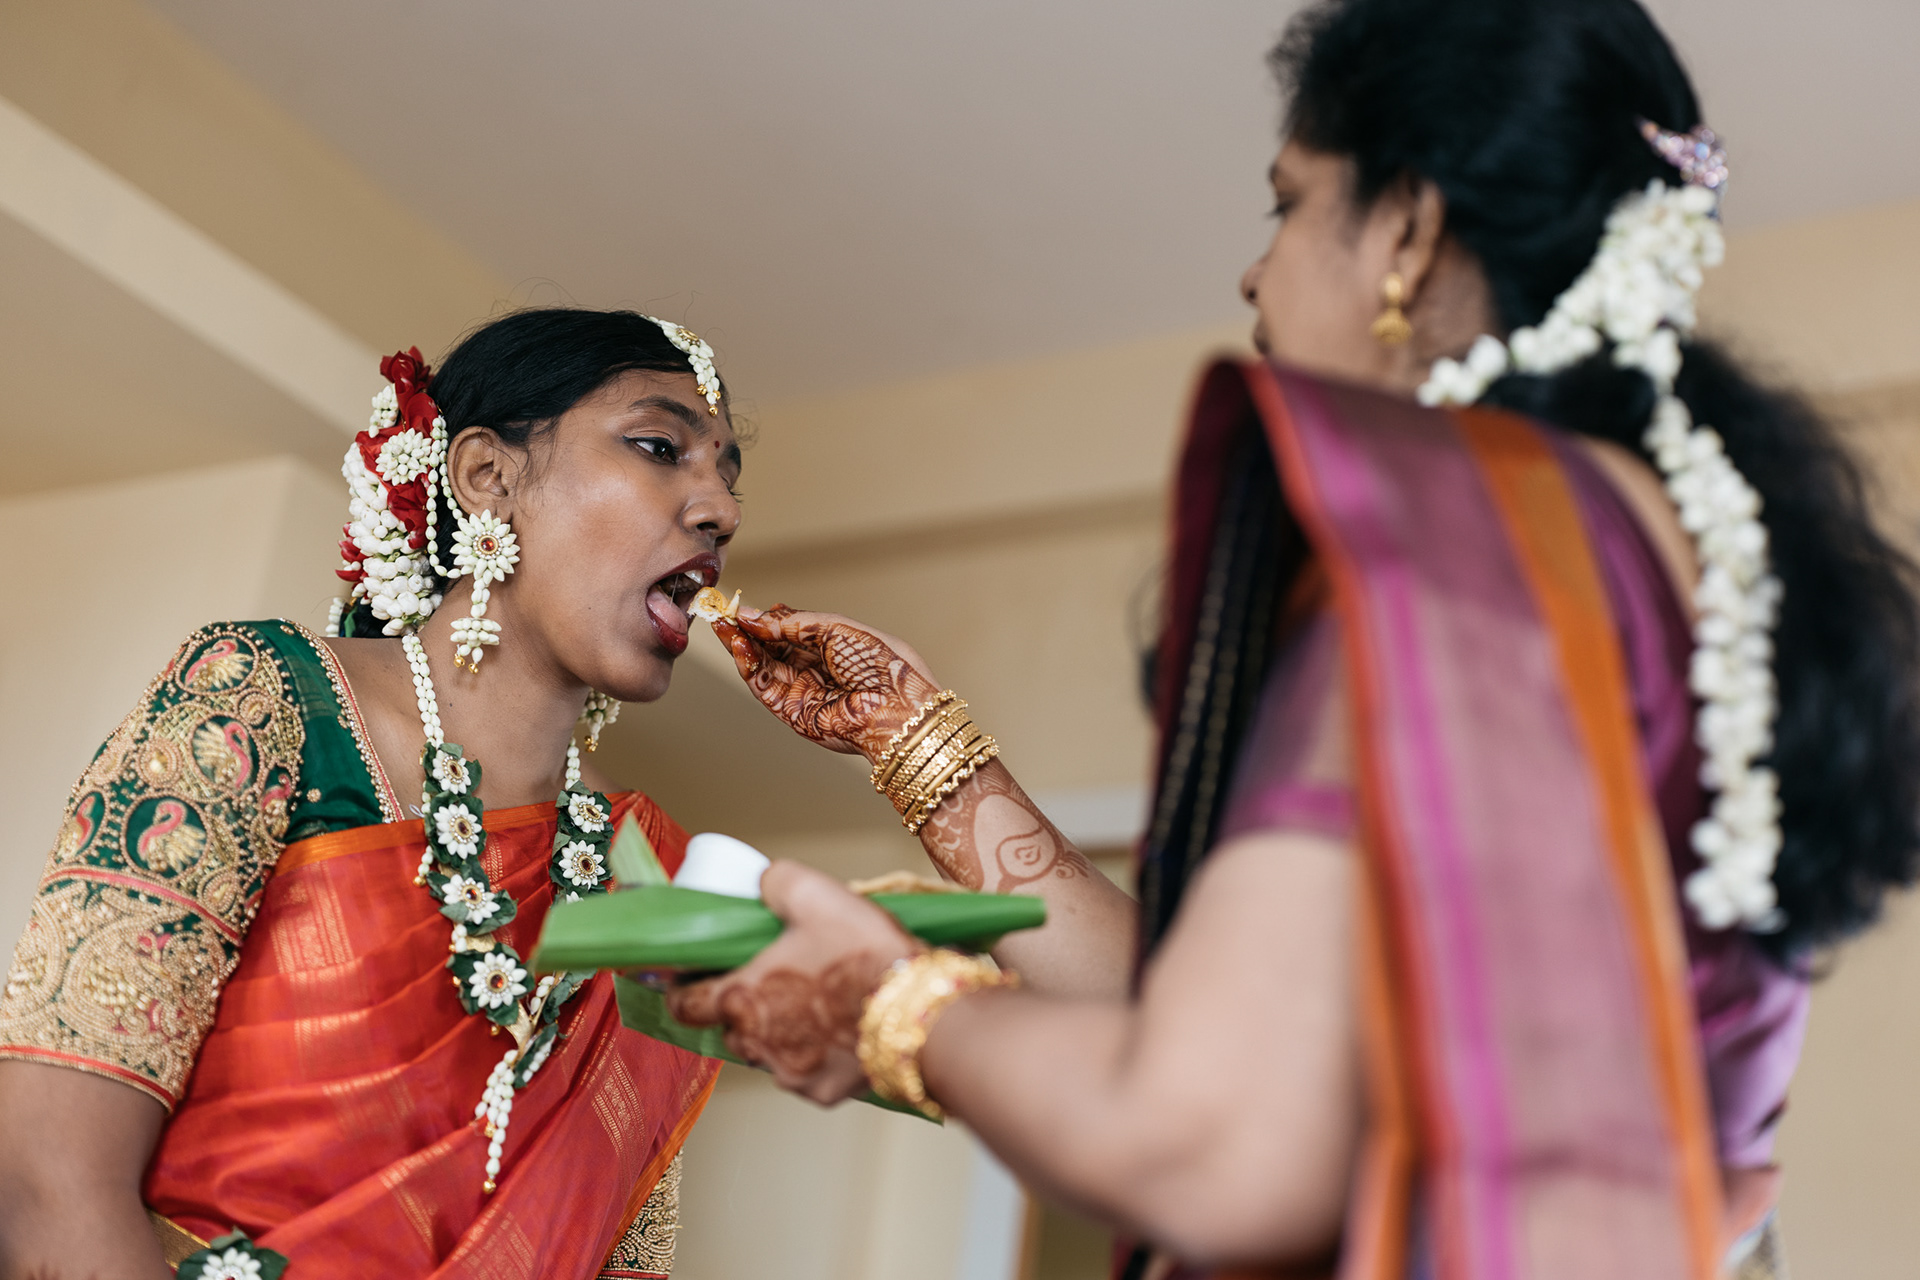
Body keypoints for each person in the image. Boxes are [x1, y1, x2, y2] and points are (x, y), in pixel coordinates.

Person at [662, 2, 1920, 1277]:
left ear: (1412, 228)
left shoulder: (1462, 538)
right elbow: (1236, 1032)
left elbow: (1216, 1133)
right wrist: (914, 735)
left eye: (1290, 204)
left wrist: (883, 1005)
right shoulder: (1657, 554)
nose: (1255, 275)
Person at [0, 309, 741, 1278]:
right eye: (661, 447)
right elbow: (47, 1176)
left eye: (728, 474)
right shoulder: (261, 699)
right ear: (488, 476)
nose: (720, 508)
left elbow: (623, 1258)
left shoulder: (666, 888)